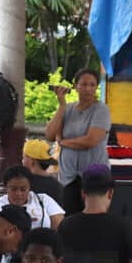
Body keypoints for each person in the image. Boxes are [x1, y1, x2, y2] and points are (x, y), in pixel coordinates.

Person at [45, 68, 111, 214]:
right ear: (75, 86)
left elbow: (90, 141)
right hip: (68, 176)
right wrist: (61, 105)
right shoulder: (68, 109)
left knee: (93, 219)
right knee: (69, 218)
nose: (88, 88)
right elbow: (50, 134)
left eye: (92, 85)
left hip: (94, 176)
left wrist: (63, 143)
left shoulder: (101, 109)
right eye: (84, 84)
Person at [0, 166, 64, 230]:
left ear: (29, 187)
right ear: (6, 187)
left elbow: (59, 224)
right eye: (13, 189)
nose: (18, 193)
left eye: (23, 189)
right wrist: (2, 223)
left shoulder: (43, 200)